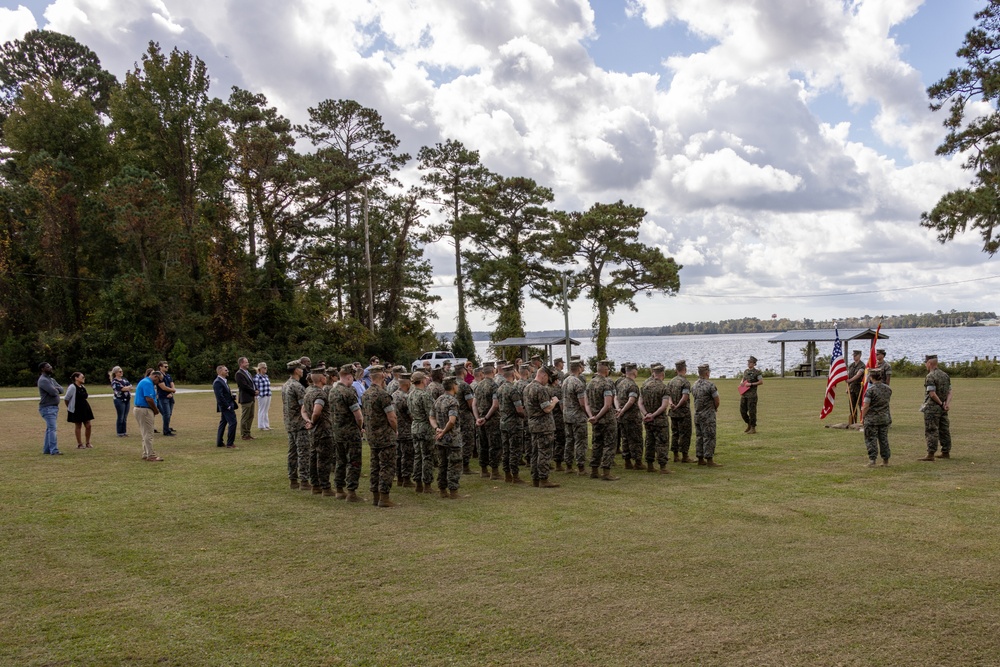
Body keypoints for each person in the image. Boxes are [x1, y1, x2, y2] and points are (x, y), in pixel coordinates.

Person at [363, 366, 399, 508]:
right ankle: (384, 498)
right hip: (384, 436)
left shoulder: (366, 394)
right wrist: (395, 430)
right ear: (383, 377)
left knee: (375, 466)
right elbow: (392, 417)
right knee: (387, 466)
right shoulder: (383, 395)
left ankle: (375, 496)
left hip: (372, 436)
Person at [330, 364, 365, 501]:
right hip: (350, 432)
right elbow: (358, 415)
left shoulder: (333, 391)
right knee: (354, 462)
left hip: (337, 432)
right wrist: (360, 427)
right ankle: (351, 492)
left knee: (340, 461)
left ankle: (339, 489)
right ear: (349, 377)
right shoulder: (348, 392)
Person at [523, 366, 560, 488]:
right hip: (544, 425)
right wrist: (554, 401)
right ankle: (544, 479)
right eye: (548, 377)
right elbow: (547, 408)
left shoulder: (527, 387)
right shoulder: (540, 389)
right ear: (543, 375)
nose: (547, 380)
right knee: (544, 452)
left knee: (535, 452)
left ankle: (535, 478)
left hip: (533, 424)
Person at [302, 365, 334, 495]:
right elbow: (316, 411)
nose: (326, 378)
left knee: (313, 457)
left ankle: (315, 485)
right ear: (321, 378)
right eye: (325, 376)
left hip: (313, 432)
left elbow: (303, 410)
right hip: (324, 431)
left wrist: (308, 421)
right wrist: (313, 421)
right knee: (324, 460)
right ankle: (325, 487)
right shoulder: (321, 393)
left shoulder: (308, 392)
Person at [586, 359, 619, 481]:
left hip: (595, 420)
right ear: (606, 370)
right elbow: (608, 405)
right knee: (609, 445)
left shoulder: (590, 384)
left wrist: (592, 417)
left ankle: (594, 470)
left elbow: (587, 403)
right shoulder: (607, 384)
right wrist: (598, 417)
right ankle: (606, 472)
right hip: (607, 419)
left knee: (597, 444)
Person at [407, 371, 439, 494]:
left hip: (415, 426)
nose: (427, 381)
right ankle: (427, 484)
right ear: (421, 381)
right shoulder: (425, 395)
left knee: (417, 456)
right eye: (425, 379)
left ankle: (418, 483)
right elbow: (430, 414)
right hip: (425, 427)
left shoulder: (410, 394)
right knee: (427, 456)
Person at [433, 377, 464, 499]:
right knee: (454, 465)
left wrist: (437, 429)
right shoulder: (453, 401)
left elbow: (431, 417)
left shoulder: (438, 400)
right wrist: (444, 431)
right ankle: (453, 491)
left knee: (443, 465)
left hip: (440, 439)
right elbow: (452, 421)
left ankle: (442, 490)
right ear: (453, 386)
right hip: (452, 438)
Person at [919, 354, 953, 461]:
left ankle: (931, 454)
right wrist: (946, 404)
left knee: (931, 430)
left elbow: (932, 394)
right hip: (943, 408)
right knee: (944, 430)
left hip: (932, 408)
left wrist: (940, 403)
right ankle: (945, 451)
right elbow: (950, 392)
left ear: (929, 363)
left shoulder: (930, 376)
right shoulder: (945, 375)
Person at [496, 365, 527, 484]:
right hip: (514, 424)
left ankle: (507, 474)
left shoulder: (500, 389)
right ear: (513, 374)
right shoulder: (513, 390)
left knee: (506, 450)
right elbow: (519, 409)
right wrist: (525, 415)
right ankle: (515, 475)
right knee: (515, 450)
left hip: (503, 423)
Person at [283, 360, 310, 490]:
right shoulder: (297, 386)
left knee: (292, 452)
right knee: (303, 452)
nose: (303, 370)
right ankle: (304, 481)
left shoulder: (286, 385)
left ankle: (293, 479)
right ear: (296, 370)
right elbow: (304, 407)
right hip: (299, 424)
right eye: (301, 368)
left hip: (289, 424)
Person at [641, 363, 672, 473]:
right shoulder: (664, 387)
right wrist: (653, 415)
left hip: (648, 420)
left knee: (649, 441)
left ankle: (650, 465)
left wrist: (646, 414)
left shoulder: (645, 386)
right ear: (662, 374)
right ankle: (662, 467)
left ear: (653, 373)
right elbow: (664, 406)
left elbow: (640, 403)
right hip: (659, 420)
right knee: (662, 442)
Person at [562, 359, 590, 476]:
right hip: (577, 416)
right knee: (580, 442)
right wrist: (589, 414)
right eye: (582, 366)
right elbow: (582, 403)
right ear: (579, 368)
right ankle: (581, 467)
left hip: (567, 415)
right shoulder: (578, 383)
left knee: (569, 441)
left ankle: (568, 465)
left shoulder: (565, 381)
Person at [474, 362, 502, 480]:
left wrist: (477, 419)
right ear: (493, 371)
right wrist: (486, 418)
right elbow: (495, 405)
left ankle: (483, 470)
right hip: (491, 420)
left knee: (483, 445)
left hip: (480, 419)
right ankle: (494, 471)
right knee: (494, 445)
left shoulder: (478, 386)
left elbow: (474, 405)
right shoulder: (494, 386)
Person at [860, 368, 891, 467]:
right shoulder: (888, 389)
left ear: (871, 377)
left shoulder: (870, 390)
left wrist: (862, 417)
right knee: (884, 440)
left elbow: (866, 406)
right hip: (884, 418)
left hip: (872, 419)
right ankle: (885, 460)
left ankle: (872, 460)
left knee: (871, 440)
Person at [615, 363, 644, 469]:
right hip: (632, 417)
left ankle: (627, 461)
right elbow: (631, 401)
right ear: (633, 371)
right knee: (636, 439)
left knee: (625, 439)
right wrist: (622, 410)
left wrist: (618, 408)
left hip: (622, 417)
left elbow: (616, 397)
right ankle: (638, 462)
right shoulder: (632, 385)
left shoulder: (620, 383)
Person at [692, 364, 721, 467]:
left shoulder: (694, 385)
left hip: (697, 414)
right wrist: (714, 408)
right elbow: (717, 400)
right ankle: (709, 460)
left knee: (699, 436)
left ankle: (700, 458)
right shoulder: (710, 385)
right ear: (707, 373)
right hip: (708, 415)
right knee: (709, 436)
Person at [666, 360, 693, 463]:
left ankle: (675, 455)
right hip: (683, 412)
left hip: (673, 412)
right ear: (685, 369)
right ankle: (685, 456)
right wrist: (677, 406)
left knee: (675, 433)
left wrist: (671, 403)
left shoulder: (671, 381)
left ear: (676, 370)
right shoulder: (685, 382)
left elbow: (668, 395)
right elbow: (685, 397)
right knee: (685, 434)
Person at [392, 373, 415, 488]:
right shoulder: (405, 398)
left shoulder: (393, 395)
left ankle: (399, 478)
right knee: (407, 455)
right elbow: (411, 415)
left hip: (396, 430)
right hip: (406, 429)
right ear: (407, 384)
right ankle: (406, 478)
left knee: (398, 455)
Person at [134, 370, 163, 461]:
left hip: (140, 409)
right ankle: (151, 455)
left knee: (144, 432)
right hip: (145, 410)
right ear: (155, 377)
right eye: (159, 380)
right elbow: (149, 399)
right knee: (149, 433)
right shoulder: (147, 383)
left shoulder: (144, 381)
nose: (159, 382)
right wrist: (155, 410)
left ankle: (145, 453)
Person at [454, 369, 479, 475]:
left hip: (454, 415)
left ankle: (457, 464)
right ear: (463, 372)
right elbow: (470, 403)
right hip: (465, 416)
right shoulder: (464, 385)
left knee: (458, 440)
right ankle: (465, 466)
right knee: (467, 440)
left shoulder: (452, 383)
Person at [37, 362, 64, 455]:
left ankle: (47, 450)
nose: (51, 367)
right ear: (42, 369)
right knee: (52, 428)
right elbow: (53, 392)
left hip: (53, 407)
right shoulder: (43, 380)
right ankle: (54, 450)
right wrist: (56, 389)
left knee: (49, 429)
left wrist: (56, 388)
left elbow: (62, 389)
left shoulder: (51, 379)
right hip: (47, 408)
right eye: (48, 367)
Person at [64, 372, 95, 448]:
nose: (84, 378)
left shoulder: (83, 387)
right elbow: (66, 398)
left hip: (85, 408)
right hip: (76, 408)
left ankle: (87, 442)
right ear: (76, 378)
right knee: (78, 425)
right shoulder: (72, 387)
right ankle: (79, 444)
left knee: (88, 425)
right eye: (82, 377)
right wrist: (69, 407)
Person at [213, 365, 238, 449]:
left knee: (223, 423)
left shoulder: (223, 381)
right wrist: (228, 406)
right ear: (220, 372)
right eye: (226, 370)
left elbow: (225, 394)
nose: (228, 371)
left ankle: (219, 442)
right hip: (226, 406)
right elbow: (219, 396)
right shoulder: (218, 382)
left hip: (228, 404)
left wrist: (232, 397)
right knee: (233, 422)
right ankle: (230, 443)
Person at [740, 356, 764, 434]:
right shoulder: (746, 371)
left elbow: (761, 382)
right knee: (742, 411)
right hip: (744, 394)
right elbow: (743, 379)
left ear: (754, 364)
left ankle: (753, 427)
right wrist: (741, 382)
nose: (749, 364)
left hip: (752, 395)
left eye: (750, 362)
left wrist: (751, 384)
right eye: (748, 362)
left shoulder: (757, 372)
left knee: (752, 412)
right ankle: (749, 424)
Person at [235, 357, 257, 440]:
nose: (248, 363)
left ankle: (248, 433)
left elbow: (252, 383)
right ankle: (244, 434)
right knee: (245, 417)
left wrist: (256, 389)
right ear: (241, 364)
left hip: (251, 397)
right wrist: (253, 392)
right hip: (246, 398)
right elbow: (244, 386)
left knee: (251, 416)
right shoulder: (239, 374)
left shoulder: (248, 373)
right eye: (246, 362)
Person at [155, 361, 177, 436]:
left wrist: (171, 392)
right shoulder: (159, 376)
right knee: (166, 414)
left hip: (170, 397)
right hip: (163, 397)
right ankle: (166, 431)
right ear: (160, 367)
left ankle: (167, 427)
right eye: (165, 366)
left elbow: (172, 383)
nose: (167, 368)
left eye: (167, 366)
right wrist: (172, 390)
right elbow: (163, 387)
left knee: (169, 414)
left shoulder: (168, 375)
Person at [109, 367, 132, 437]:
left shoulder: (124, 380)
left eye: (121, 371)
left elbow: (130, 386)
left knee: (125, 417)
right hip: (119, 400)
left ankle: (124, 431)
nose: (121, 372)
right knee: (120, 416)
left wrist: (126, 388)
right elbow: (120, 389)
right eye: (119, 371)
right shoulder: (114, 381)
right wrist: (126, 388)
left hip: (127, 400)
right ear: (115, 373)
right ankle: (119, 432)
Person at [846, 350, 865, 425]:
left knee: (861, 405)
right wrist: (847, 386)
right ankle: (853, 422)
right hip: (851, 388)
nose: (854, 357)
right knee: (852, 406)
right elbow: (848, 375)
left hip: (859, 388)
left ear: (860, 355)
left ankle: (862, 421)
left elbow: (858, 375)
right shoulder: (851, 365)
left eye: (856, 355)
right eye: (853, 355)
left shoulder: (862, 365)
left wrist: (849, 380)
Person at [253, 362, 272, 431]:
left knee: (266, 410)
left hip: (268, 394)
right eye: (264, 367)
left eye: (266, 367)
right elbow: (255, 387)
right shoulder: (257, 377)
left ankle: (266, 425)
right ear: (260, 369)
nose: (266, 369)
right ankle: (261, 426)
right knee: (262, 410)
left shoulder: (266, 376)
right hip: (262, 395)